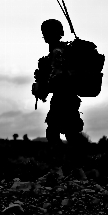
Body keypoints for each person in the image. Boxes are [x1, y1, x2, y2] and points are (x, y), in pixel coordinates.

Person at [32, 19, 87, 176]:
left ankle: (62, 169)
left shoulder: (57, 52)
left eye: (46, 32)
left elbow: (58, 79)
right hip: (67, 98)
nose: (44, 36)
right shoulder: (59, 51)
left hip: (64, 98)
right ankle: (76, 170)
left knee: (56, 132)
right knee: (69, 133)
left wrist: (42, 87)